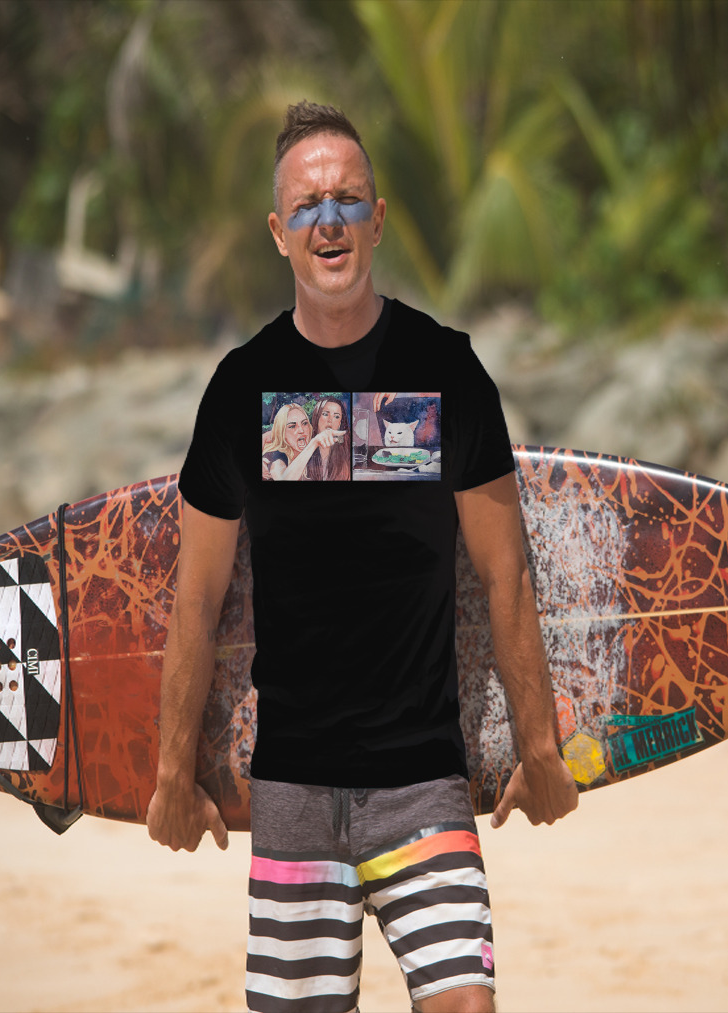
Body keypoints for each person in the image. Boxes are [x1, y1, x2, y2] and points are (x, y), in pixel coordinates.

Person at [147, 100, 578, 1013]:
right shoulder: (239, 390)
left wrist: (539, 746)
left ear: (378, 219)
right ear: (278, 233)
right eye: (307, 206)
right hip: (294, 788)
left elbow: (506, 574)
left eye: (348, 200)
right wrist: (169, 772)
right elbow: (197, 599)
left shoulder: (448, 371)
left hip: (423, 781)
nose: (329, 220)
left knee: (467, 1003)